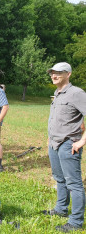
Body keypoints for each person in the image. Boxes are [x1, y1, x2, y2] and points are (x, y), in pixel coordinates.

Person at [43, 62, 86, 233]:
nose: (54, 75)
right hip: (54, 143)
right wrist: (49, 138)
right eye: (52, 73)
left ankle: (76, 222)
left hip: (69, 143)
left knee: (74, 183)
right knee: (59, 179)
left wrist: (81, 141)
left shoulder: (77, 93)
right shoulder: (57, 93)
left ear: (68, 74)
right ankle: (61, 209)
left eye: (58, 73)